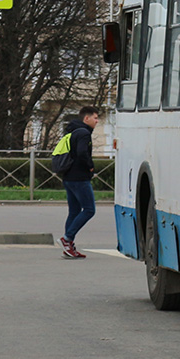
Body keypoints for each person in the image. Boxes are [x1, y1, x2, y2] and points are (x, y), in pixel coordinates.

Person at [59, 106, 99, 260]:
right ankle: (67, 238)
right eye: (95, 118)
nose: (96, 121)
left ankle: (68, 247)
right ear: (86, 118)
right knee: (89, 209)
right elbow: (82, 153)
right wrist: (90, 166)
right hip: (79, 178)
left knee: (74, 211)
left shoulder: (72, 131)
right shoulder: (83, 133)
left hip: (68, 176)